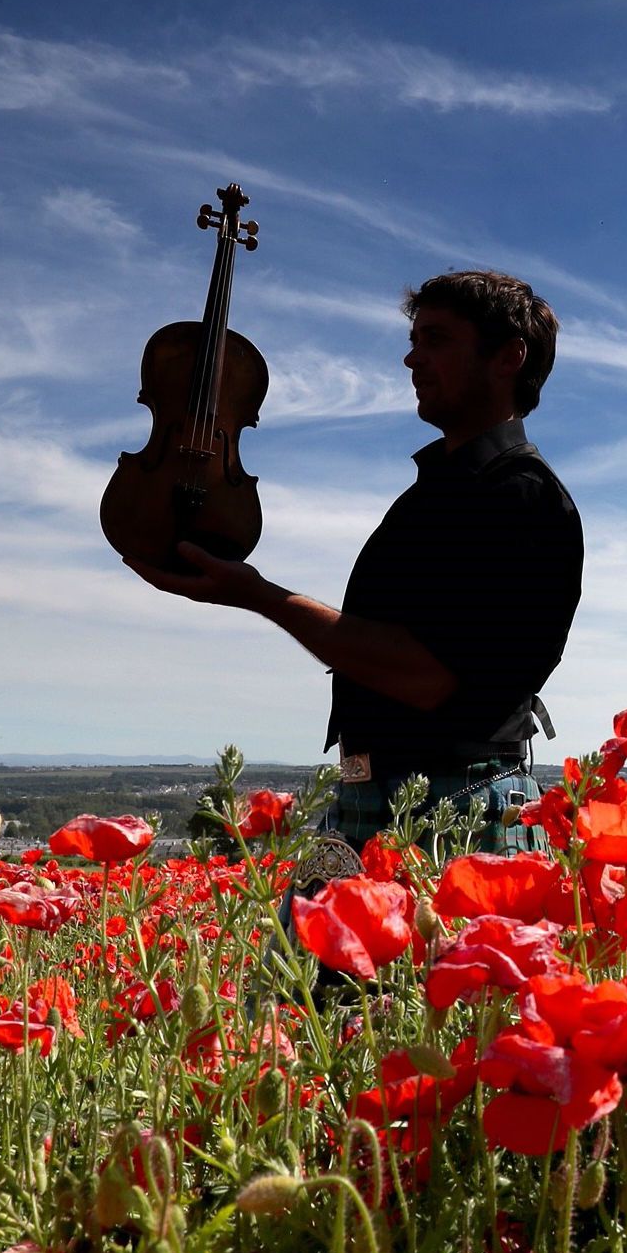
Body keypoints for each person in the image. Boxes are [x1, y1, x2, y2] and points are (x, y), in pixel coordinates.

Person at [126, 269, 584, 847]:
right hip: (387, 799)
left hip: (451, 810)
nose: (410, 360)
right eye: (413, 340)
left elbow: (428, 677)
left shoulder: (524, 497)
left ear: (508, 357)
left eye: (436, 340)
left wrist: (259, 595)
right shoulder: (442, 491)